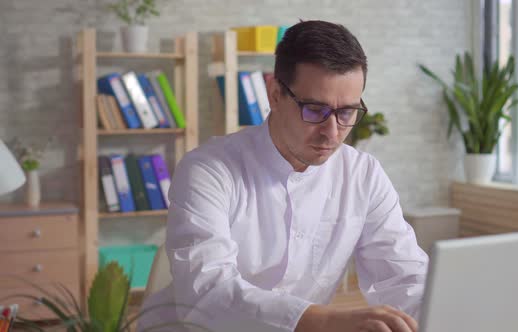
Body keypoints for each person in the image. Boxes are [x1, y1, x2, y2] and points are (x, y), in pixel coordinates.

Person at [138, 20, 428, 332]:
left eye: (346, 113)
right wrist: (327, 320)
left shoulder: (364, 175)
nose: (332, 132)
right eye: (315, 110)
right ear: (275, 94)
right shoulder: (208, 170)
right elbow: (207, 293)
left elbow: (406, 278)